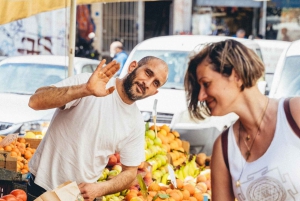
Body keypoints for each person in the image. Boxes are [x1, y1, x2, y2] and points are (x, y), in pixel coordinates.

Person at [27, 56, 169, 201]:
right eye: (148, 73)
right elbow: (35, 101)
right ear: (133, 66)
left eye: (155, 83)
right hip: (42, 187)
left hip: (79, 197)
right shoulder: (89, 82)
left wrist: (101, 188)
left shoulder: (136, 123)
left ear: (154, 92)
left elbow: (130, 173)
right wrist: (84, 89)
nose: (148, 83)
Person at [184, 39, 300, 200]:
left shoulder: (294, 114)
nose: (201, 96)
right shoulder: (224, 148)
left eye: (206, 84)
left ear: (236, 75)